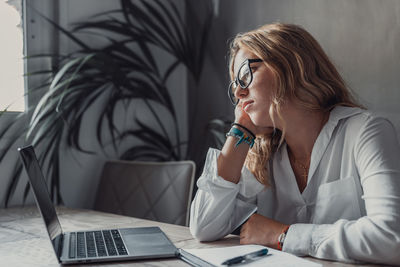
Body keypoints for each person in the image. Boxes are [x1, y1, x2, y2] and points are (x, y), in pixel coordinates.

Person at [189, 23, 400, 265]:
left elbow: (392, 237)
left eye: (246, 75)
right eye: (235, 83)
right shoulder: (262, 154)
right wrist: (241, 130)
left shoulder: (366, 131)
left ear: (289, 64)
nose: (238, 92)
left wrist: (283, 235)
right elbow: (204, 227)